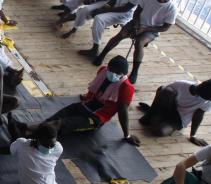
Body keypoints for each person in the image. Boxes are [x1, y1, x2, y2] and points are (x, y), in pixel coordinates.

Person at [11, 56, 140, 145]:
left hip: (96, 118)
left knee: (60, 124)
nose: (111, 73)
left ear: (122, 74)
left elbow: (123, 112)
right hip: (85, 106)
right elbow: (94, 88)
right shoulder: (103, 71)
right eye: (110, 70)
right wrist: (87, 98)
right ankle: (25, 128)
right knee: (53, 118)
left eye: (115, 72)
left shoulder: (127, 88)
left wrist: (127, 135)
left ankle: (26, 136)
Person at [92, 0, 177, 83]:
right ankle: (102, 55)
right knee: (120, 35)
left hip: (151, 30)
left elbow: (165, 28)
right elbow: (137, 12)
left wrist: (144, 29)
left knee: (139, 43)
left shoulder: (171, 9)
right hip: (137, 23)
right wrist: (137, 25)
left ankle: (134, 71)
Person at [138, 78, 211, 144]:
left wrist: (193, 135)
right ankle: (150, 113)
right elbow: (160, 90)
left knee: (159, 131)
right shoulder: (181, 85)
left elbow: (198, 115)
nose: (204, 101)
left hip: (180, 119)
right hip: (170, 107)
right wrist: (152, 111)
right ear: (198, 90)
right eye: (203, 98)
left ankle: (155, 116)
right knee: (167, 91)